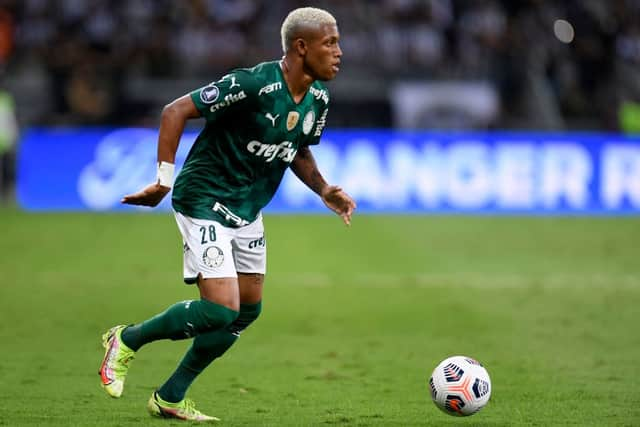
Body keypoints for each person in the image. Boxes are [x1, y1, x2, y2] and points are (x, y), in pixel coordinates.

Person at [98, 7, 355, 422]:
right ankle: (126, 339)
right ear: (301, 47)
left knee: (247, 311)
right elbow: (174, 111)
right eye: (331, 43)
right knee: (220, 309)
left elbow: (297, 147)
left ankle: (170, 396)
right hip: (203, 197)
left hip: (247, 208)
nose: (339, 52)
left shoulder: (318, 99)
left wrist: (324, 188)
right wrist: (163, 180)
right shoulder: (253, 83)